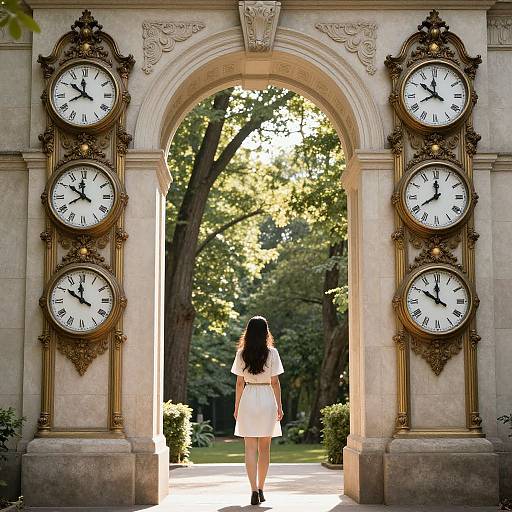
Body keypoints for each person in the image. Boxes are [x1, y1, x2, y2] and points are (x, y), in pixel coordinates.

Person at [231, 316, 284, 506]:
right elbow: (276, 382)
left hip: (248, 398)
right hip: (267, 398)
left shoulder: (241, 354)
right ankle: (261, 488)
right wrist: (279, 405)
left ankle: (253, 489)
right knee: (265, 448)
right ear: (265, 332)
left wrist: (237, 406)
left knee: (250, 448)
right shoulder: (273, 353)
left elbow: (239, 383)